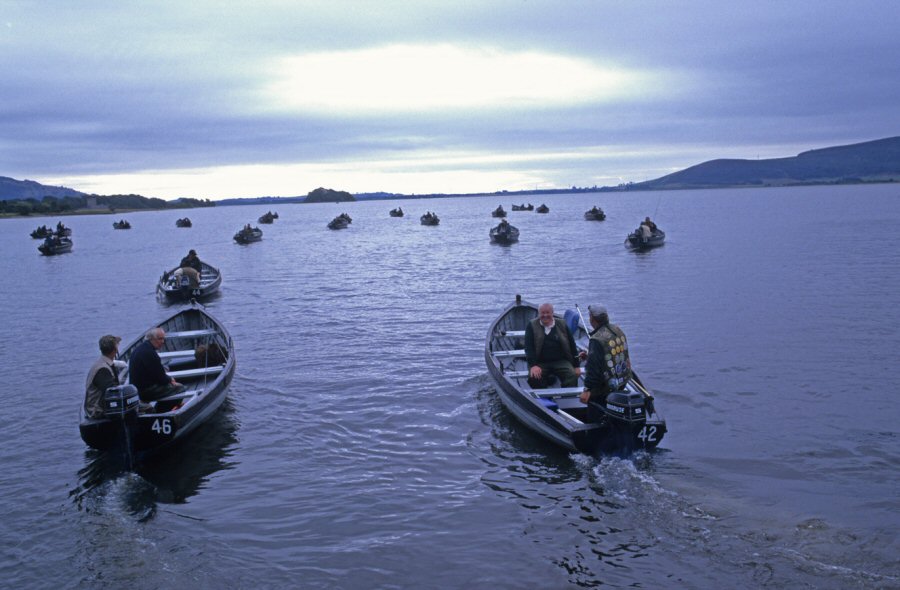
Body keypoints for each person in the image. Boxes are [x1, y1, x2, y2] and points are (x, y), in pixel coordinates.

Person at [580, 304, 632, 405]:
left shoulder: (596, 339)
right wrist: (589, 357)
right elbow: (612, 355)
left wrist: (587, 390)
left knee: (595, 410)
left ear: (592, 318)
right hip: (623, 381)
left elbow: (593, 369)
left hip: (605, 387)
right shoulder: (617, 330)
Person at [524, 303, 585, 389]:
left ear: (552, 313)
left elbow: (572, 346)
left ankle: (567, 397)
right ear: (539, 314)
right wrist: (533, 365)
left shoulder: (562, 324)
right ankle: (545, 398)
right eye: (542, 313)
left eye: (548, 312)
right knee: (534, 377)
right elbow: (528, 348)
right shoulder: (532, 325)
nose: (545, 315)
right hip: (540, 362)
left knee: (572, 375)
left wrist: (576, 366)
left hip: (560, 361)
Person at [129, 328, 185, 402]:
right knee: (180, 388)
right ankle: (162, 410)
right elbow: (161, 378)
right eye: (160, 339)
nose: (162, 342)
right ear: (151, 339)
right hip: (145, 391)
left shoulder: (140, 348)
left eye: (163, 339)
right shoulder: (150, 353)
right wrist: (170, 379)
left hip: (135, 389)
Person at [84, 334, 123, 419]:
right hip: (97, 412)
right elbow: (112, 392)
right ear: (115, 350)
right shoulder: (103, 370)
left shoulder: (101, 363)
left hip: (98, 408)